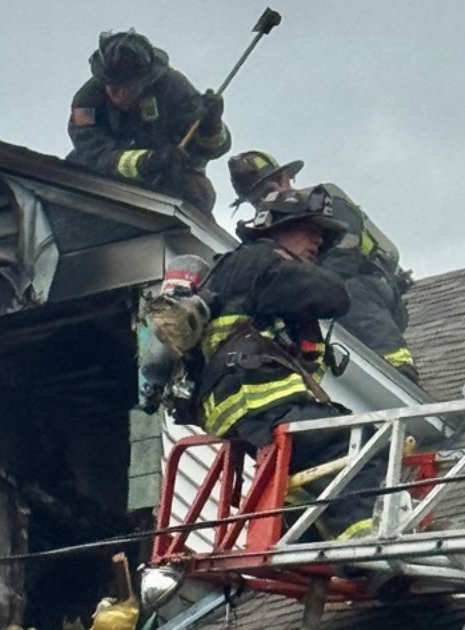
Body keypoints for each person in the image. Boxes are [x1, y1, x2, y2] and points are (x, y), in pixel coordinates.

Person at [195, 189, 385, 540]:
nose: (318, 240)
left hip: (253, 407)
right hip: (257, 400)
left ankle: (299, 524)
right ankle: (363, 542)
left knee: (316, 461)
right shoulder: (258, 259)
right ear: (276, 228)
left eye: (323, 236)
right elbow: (332, 295)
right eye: (309, 228)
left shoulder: (249, 268)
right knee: (361, 441)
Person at [228, 151, 419, 382]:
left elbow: (345, 257)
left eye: (267, 192)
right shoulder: (274, 227)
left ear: (285, 179)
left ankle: (397, 366)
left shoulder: (324, 202)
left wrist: (306, 286)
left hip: (371, 287)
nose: (263, 203)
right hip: (325, 293)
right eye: (255, 200)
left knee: (349, 291)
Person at [67, 30, 231, 216]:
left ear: (145, 81)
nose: (121, 96)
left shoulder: (174, 88)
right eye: (114, 88)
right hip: (108, 178)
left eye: (129, 88)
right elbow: (94, 153)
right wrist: (147, 160)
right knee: (72, 173)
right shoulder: (86, 104)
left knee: (196, 191)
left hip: (167, 176)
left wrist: (212, 125)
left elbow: (206, 150)